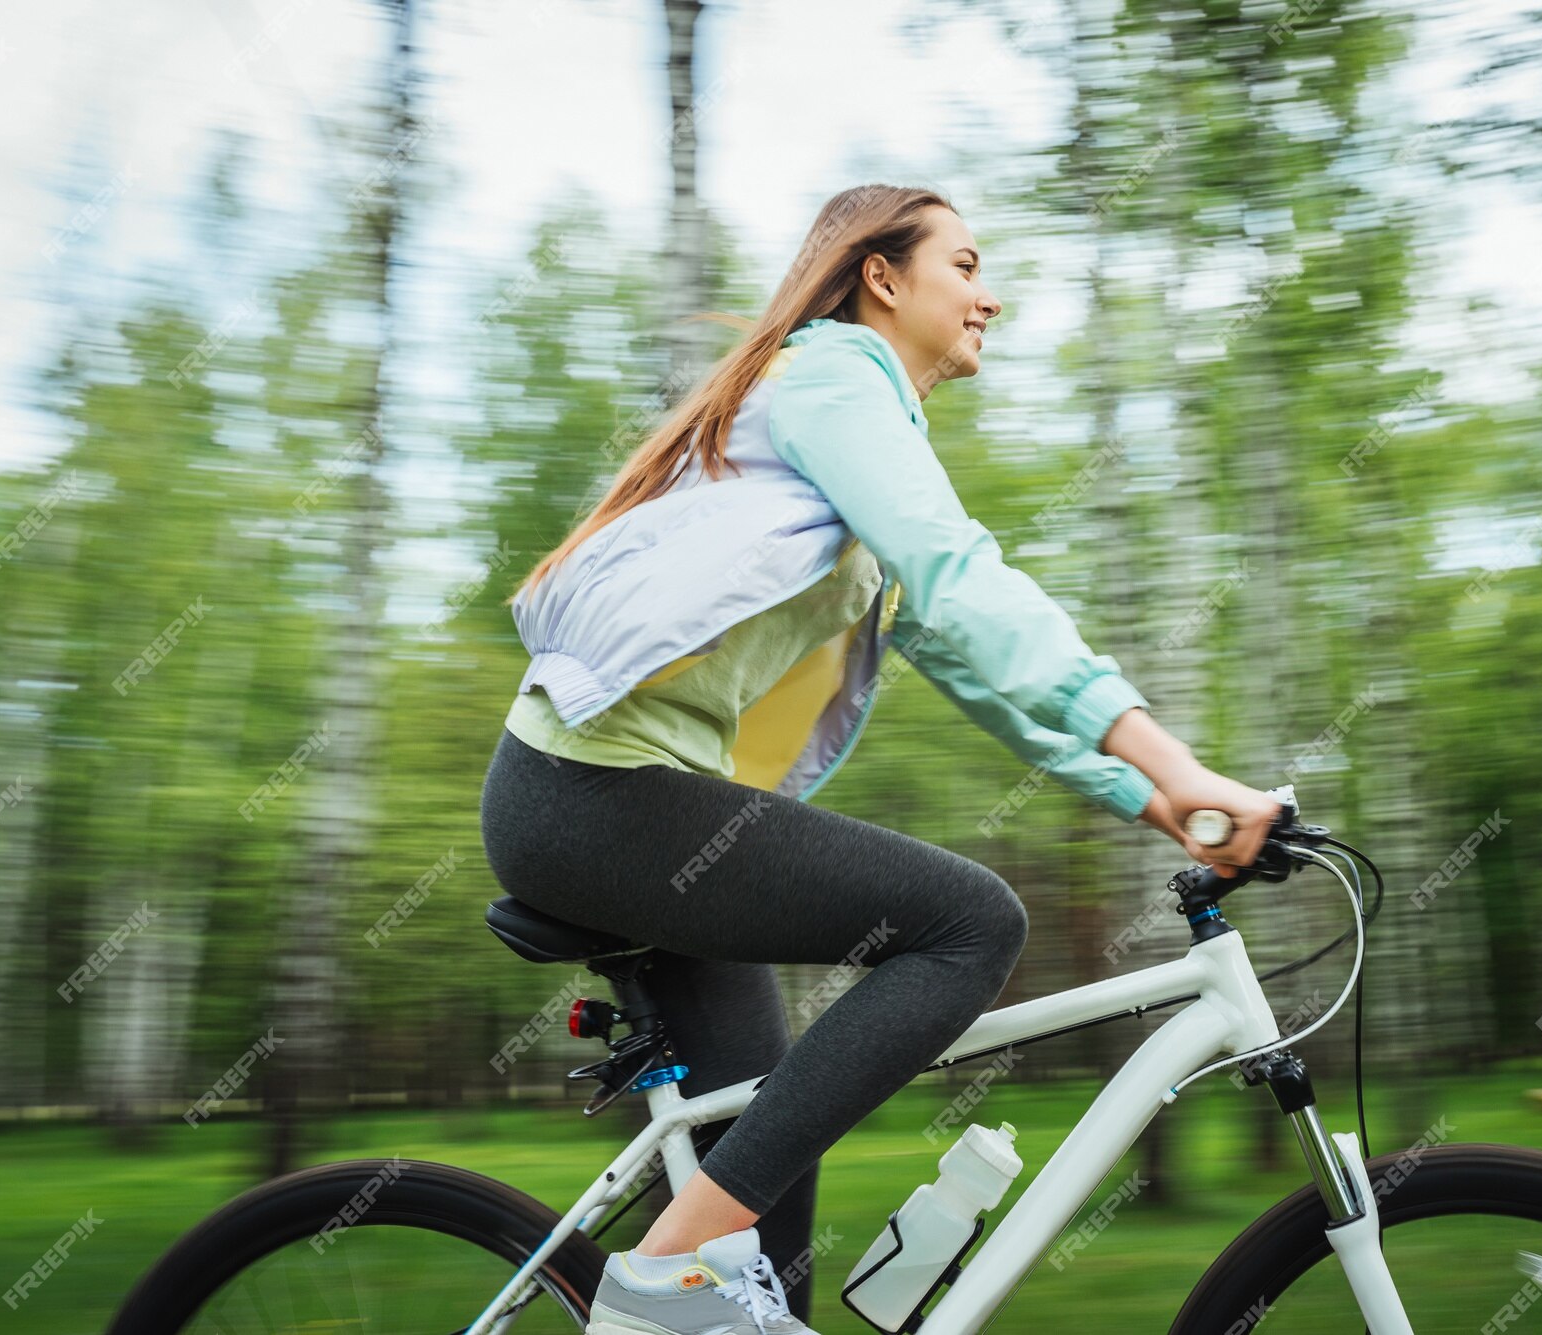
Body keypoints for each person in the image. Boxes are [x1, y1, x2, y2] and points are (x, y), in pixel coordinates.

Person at [478, 183, 1281, 1335]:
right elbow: (961, 573)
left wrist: (1152, 797)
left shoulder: (849, 439)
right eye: (965, 265)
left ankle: (694, 1286)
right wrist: (1178, 757)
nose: (989, 296)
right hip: (593, 795)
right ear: (882, 278)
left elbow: (973, 667)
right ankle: (657, 1274)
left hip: (635, 812)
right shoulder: (829, 376)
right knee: (967, 924)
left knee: (767, 1226)